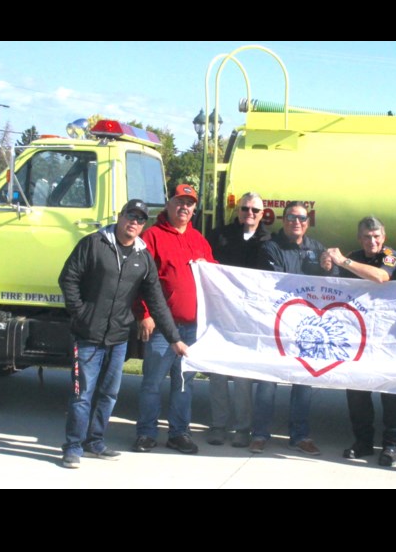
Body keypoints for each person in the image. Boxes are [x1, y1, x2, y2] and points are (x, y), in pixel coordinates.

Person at [58, 199, 189, 469]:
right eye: (131, 216)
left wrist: (174, 338)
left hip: (118, 338)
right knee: (82, 394)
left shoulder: (143, 257)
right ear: (120, 216)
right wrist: (81, 312)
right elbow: (68, 278)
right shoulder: (94, 244)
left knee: (108, 394)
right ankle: (73, 447)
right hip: (87, 336)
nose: (135, 223)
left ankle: (95, 442)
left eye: (141, 219)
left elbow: (156, 302)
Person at [133, 184, 217, 455]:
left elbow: (215, 277)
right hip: (161, 328)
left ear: (195, 209)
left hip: (192, 328)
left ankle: (179, 434)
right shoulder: (152, 236)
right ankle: (146, 433)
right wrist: (144, 314)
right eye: (179, 201)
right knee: (152, 382)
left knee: (183, 384)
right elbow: (139, 279)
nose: (184, 207)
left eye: (190, 203)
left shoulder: (199, 240)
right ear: (168, 204)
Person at [252, 201, 337, 455]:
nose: (296, 222)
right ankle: (259, 434)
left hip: (307, 326)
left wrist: (328, 269)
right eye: (291, 217)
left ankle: (299, 436)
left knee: (303, 381)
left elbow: (331, 285)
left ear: (308, 222)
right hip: (276, 324)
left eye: (301, 218)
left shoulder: (317, 248)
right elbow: (278, 283)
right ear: (283, 220)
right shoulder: (270, 247)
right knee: (267, 381)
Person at [322, 216, 396, 467]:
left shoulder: (392, 256)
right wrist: (327, 264)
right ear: (359, 238)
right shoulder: (354, 254)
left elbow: (381, 277)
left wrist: (343, 261)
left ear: (384, 237)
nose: (372, 241)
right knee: (357, 390)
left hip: (389, 337)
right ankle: (363, 442)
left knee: (390, 392)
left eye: (377, 236)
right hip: (358, 336)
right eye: (367, 237)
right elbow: (332, 280)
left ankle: (392, 446)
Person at [205, 192, 271, 448]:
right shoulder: (219, 235)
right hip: (220, 312)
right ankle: (218, 425)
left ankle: (243, 428)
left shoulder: (268, 240)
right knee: (218, 373)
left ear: (263, 214)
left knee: (243, 375)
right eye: (245, 209)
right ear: (238, 210)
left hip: (249, 317)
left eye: (255, 210)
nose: (249, 214)